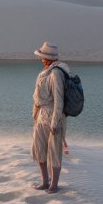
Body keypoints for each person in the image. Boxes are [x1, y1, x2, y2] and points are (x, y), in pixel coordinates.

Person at [30, 41, 70, 193]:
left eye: (42, 57)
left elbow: (59, 100)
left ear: (48, 58)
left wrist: (55, 122)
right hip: (41, 116)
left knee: (54, 152)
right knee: (39, 149)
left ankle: (54, 185)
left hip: (54, 117)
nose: (41, 59)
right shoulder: (44, 72)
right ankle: (44, 182)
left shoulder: (56, 74)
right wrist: (35, 114)